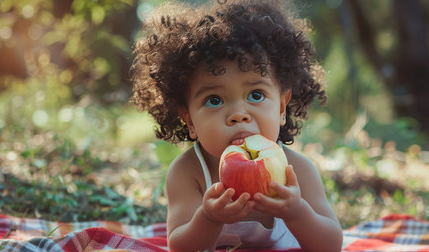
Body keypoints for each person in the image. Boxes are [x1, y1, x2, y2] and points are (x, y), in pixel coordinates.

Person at [130, 0, 343, 251]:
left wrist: (297, 212)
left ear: (282, 108)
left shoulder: (296, 170)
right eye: (214, 100)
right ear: (189, 120)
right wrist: (208, 218)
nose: (238, 115)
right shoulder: (188, 173)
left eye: (255, 95)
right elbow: (179, 246)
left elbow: (331, 245)